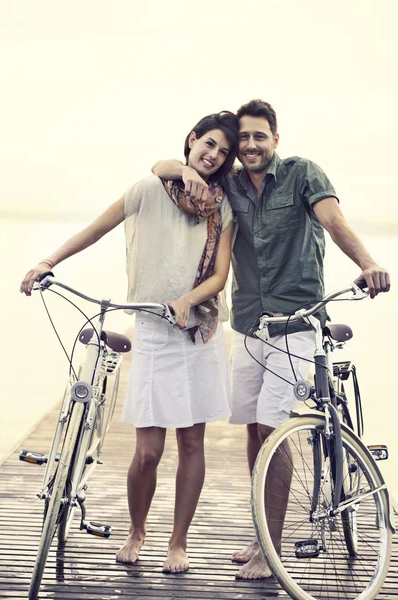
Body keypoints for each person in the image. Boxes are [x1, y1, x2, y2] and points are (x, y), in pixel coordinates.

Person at [152, 99, 391, 579]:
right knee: (251, 429)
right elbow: (160, 168)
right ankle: (263, 527)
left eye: (260, 136)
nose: (250, 145)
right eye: (244, 138)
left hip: (296, 323)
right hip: (247, 326)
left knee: (272, 427)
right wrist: (182, 167)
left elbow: (333, 221)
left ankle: (271, 551)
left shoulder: (303, 174)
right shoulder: (231, 186)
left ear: (275, 139)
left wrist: (366, 262)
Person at [20, 111, 239, 574]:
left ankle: (177, 542)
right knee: (147, 453)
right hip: (155, 333)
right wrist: (47, 260)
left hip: (197, 331)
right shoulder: (147, 189)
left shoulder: (223, 207)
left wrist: (188, 298)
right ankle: (138, 530)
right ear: (192, 140)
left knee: (194, 444)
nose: (213, 155)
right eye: (209, 144)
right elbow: (95, 229)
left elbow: (219, 276)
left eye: (223, 151)